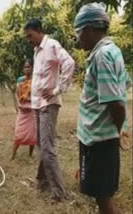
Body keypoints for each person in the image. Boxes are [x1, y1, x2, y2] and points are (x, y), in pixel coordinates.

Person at [74, 3, 130, 213]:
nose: (77, 38)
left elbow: (116, 102)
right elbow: (124, 85)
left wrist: (116, 131)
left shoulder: (101, 56)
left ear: (89, 29)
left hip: (100, 140)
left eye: (77, 32)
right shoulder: (112, 51)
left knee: (103, 199)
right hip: (96, 137)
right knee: (98, 194)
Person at [23, 18, 75, 201]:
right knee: (40, 145)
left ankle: (59, 193)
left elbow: (69, 64)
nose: (28, 39)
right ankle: (42, 182)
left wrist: (57, 89)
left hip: (49, 104)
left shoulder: (52, 45)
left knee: (48, 148)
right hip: (37, 104)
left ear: (38, 30)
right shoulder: (36, 51)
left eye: (30, 35)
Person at [11, 59, 37, 160]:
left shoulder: (35, 81)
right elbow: (17, 94)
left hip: (32, 109)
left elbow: (37, 95)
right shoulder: (20, 80)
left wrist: (32, 103)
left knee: (32, 134)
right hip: (22, 109)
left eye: (29, 67)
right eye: (25, 67)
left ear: (32, 68)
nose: (27, 69)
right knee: (18, 133)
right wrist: (18, 105)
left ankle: (30, 154)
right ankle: (13, 155)